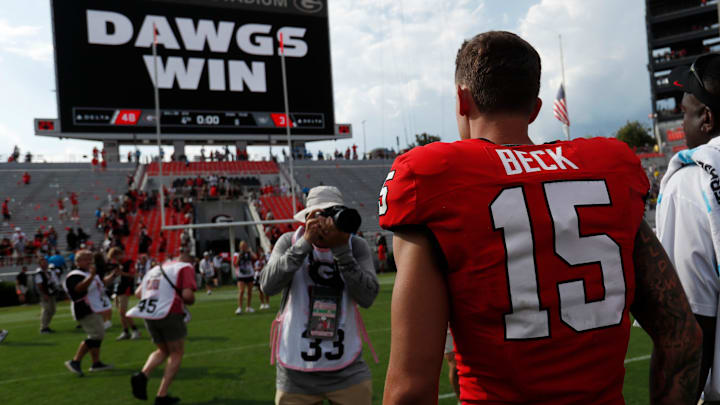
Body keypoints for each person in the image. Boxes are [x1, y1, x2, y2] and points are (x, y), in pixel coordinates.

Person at [380, 31, 701, 405]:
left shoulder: (434, 177)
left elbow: (410, 390)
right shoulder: (608, 170)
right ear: (535, 108)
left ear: (462, 99)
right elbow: (683, 338)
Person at [260, 186, 380, 405]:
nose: (326, 223)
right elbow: (267, 286)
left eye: (331, 215)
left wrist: (342, 251)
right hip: (296, 369)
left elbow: (367, 297)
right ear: (307, 218)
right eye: (319, 215)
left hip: (347, 367)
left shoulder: (356, 246)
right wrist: (304, 244)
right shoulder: (290, 241)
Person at [656, 53, 720, 403]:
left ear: (706, 118)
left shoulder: (693, 184)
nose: (682, 122)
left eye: (685, 112)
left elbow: (693, 324)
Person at [128, 248, 197, 405]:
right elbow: (188, 296)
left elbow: (139, 293)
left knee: (163, 350)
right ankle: (162, 395)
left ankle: (143, 375)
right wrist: (188, 299)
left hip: (149, 313)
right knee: (176, 353)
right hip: (169, 311)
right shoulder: (185, 268)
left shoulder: (156, 268)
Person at [63, 250, 118, 376]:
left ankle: (96, 363)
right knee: (97, 334)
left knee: (97, 334)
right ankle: (75, 361)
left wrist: (113, 275)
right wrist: (91, 276)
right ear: (77, 262)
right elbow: (78, 289)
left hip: (94, 306)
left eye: (90, 259)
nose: (89, 261)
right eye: (86, 259)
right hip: (84, 308)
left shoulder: (89, 273)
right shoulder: (74, 275)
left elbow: (101, 284)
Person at [108, 248, 140, 340]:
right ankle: (125, 331)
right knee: (120, 312)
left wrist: (121, 273)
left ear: (120, 254)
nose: (115, 259)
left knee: (123, 311)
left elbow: (133, 274)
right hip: (118, 288)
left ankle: (135, 330)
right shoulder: (118, 264)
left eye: (115, 257)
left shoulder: (129, 262)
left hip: (126, 287)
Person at [35, 257, 60, 333]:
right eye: (43, 262)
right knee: (46, 309)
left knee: (52, 310)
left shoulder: (49, 272)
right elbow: (39, 285)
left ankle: (46, 325)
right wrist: (44, 294)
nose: (45, 264)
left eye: (46, 262)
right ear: (40, 264)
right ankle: (43, 327)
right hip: (45, 293)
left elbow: (53, 281)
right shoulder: (39, 274)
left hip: (51, 292)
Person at [233, 241, 257, 314]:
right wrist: (239, 256)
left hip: (249, 274)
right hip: (241, 275)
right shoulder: (237, 254)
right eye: (242, 246)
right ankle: (239, 307)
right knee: (241, 291)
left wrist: (250, 251)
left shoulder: (249, 253)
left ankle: (248, 307)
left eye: (245, 246)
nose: (244, 247)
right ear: (240, 247)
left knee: (249, 291)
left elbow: (255, 258)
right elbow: (235, 264)